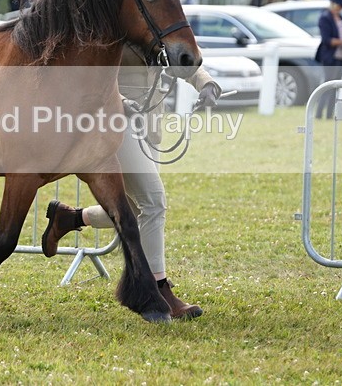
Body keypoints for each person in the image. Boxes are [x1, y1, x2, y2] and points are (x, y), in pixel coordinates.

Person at [41, 44, 222, 320]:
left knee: (135, 209)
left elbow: (179, 52)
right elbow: (92, 74)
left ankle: (70, 218)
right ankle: (158, 289)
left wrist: (205, 82)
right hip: (117, 122)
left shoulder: (156, 22)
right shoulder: (112, 25)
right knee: (153, 202)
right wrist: (122, 101)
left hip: (150, 124)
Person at [314, 0, 342, 120]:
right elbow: (327, 40)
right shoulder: (325, 18)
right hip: (330, 57)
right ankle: (319, 113)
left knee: (336, 87)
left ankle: (329, 114)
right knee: (327, 86)